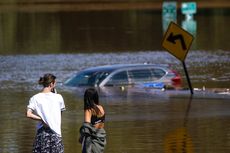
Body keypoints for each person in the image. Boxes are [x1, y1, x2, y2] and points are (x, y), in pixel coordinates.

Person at [26, 73, 65, 153]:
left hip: (42, 134)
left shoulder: (35, 98)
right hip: (56, 134)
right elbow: (59, 115)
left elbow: (28, 114)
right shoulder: (59, 97)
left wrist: (42, 119)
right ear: (51, 84)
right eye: (55, 84)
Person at [79, 88, 106, 153]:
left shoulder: (89, 110)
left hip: (92, 140)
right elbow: (102, 123)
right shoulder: (101, 107)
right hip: (101, 137)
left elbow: (86, 127)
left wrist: (81, 138)